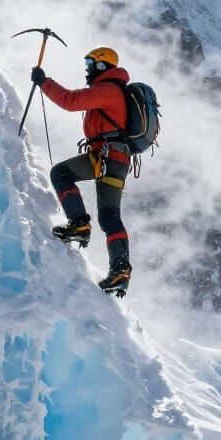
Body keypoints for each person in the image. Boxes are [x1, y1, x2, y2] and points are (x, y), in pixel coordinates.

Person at [30, 46, 132, 296]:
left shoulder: (108, 90)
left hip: (108, 156)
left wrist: (44, 82)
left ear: (101, 65)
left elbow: (71, 101)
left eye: (90, 64)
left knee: (63, 175)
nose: (87, 69)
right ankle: (118, 269)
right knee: (108, 215)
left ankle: (80, 226)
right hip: (108, 156)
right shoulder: (109, 89)